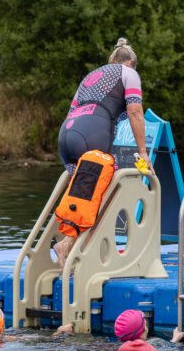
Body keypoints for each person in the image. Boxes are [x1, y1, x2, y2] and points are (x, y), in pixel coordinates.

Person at [54, 38, 152, 268]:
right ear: (130, 62)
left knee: (84, 196)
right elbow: (135, 111)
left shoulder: (90, 77)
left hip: (67, 136)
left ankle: (74, 248)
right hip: (92, 136)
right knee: (107, 197)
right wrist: (143, 152)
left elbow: (72, 111)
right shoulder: (128, 73)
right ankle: (70, 245)